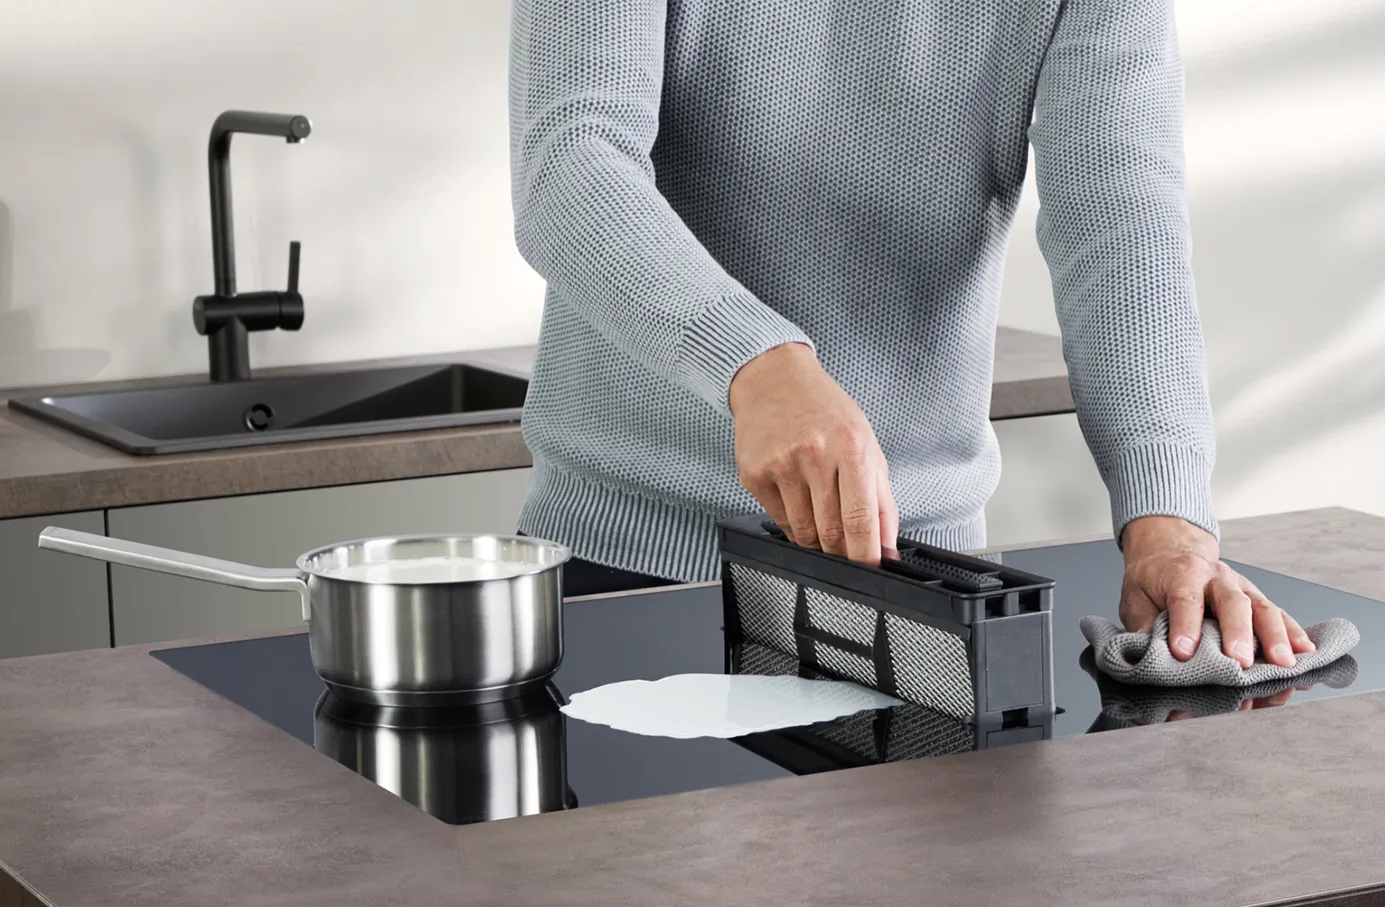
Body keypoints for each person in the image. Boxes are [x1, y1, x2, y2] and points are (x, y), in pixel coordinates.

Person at [507, 0, 1313, 670]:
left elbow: (1121, 225)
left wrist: (1167, 520)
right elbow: (571, 158)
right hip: (634, 571)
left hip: (921, 591)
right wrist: (755, 365)